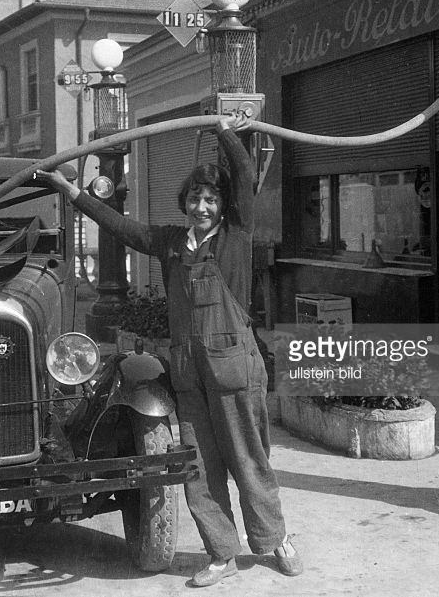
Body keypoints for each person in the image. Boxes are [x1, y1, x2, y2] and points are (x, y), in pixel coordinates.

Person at [40, 117, 302, 587]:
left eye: (211, 200)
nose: (202, 207)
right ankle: (221, 552)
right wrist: (73, 194)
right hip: (189, 373)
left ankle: (274, 539)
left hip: (235, 369)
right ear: (185, 203)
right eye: (195, 199)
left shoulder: (235, 236)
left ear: (223, 207)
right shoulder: (169, 243)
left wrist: (227, 133)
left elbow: (243, 180)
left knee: (249, 459)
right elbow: (120, 226)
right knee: (200, 467)